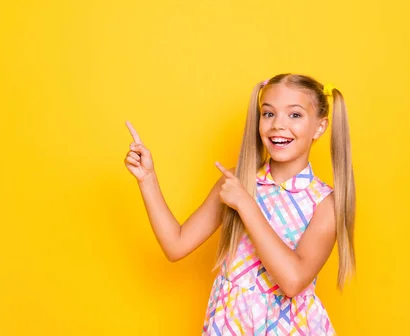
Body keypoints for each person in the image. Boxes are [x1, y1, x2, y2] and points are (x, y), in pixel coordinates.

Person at [124, 73, 355, 335]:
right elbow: (175, 245)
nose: (278, 124)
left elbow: (292, 281)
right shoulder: (236, 182)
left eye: (295, 115)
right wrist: (147, 179)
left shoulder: (325, 203)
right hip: (231, 326)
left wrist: (246, 205)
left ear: (319, 127)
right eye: (268, 114)